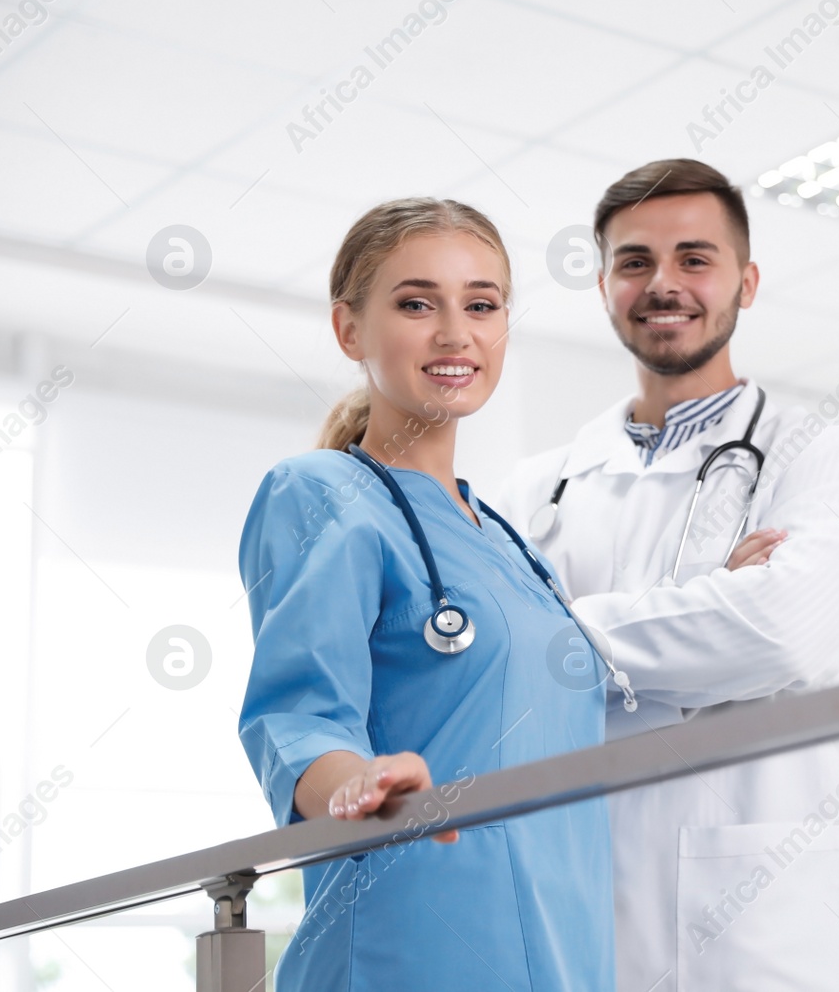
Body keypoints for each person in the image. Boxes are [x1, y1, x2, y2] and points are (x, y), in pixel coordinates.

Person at [502, 159, 839, 991]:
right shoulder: (538, 489)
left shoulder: (814, 450)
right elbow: (500, 680)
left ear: (746, 283)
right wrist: (703, 623)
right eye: (635, 261)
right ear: (603, 284)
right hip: (584, 903)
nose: (663, 283)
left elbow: (780, 628)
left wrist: (556, 634)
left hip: (759, 918)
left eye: (695, 259)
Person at [236, 198, 613, 991]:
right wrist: (363, 786)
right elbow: (297, 715)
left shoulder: (508, 539)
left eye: (482, 305)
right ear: (349, 329)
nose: (455, 333)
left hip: (567, 946)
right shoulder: (322, 492)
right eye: (416, 303)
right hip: (411, 942)